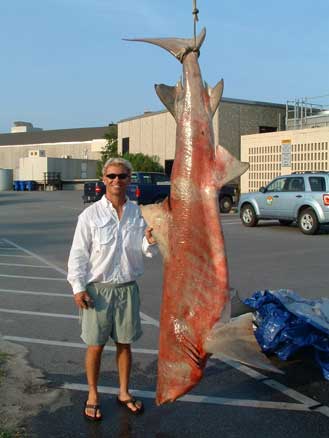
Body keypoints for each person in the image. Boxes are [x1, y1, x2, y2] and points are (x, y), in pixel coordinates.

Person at [67, 157, 157, 421]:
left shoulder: (138, 213)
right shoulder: (90, 215)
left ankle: (124, 392)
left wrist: (149, 240)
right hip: (98, 291)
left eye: (122, 176)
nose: (117, 181)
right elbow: (78, 255)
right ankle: (93, 394)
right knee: (95, 345)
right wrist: (77, 288)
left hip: (128, 289)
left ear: (130, 179)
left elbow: (145, 248)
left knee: (124, 344)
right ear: (103, 179)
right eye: (111, 176)